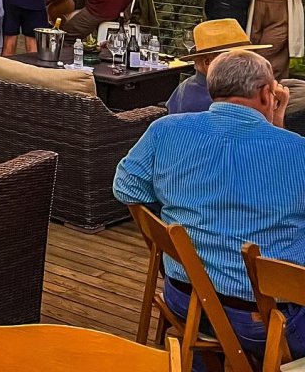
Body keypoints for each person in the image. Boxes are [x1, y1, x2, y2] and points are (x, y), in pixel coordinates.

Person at [114, 49, 305, 366]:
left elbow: (126, 187)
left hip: (185, 299)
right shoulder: (298, 152)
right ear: (266, 93)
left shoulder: (165, 131)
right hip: (267, 322)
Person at [166, 19, 271, 114]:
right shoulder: (225, 96)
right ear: (208, 62)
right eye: (236, 61)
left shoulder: (185, 87)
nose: (246, 66)